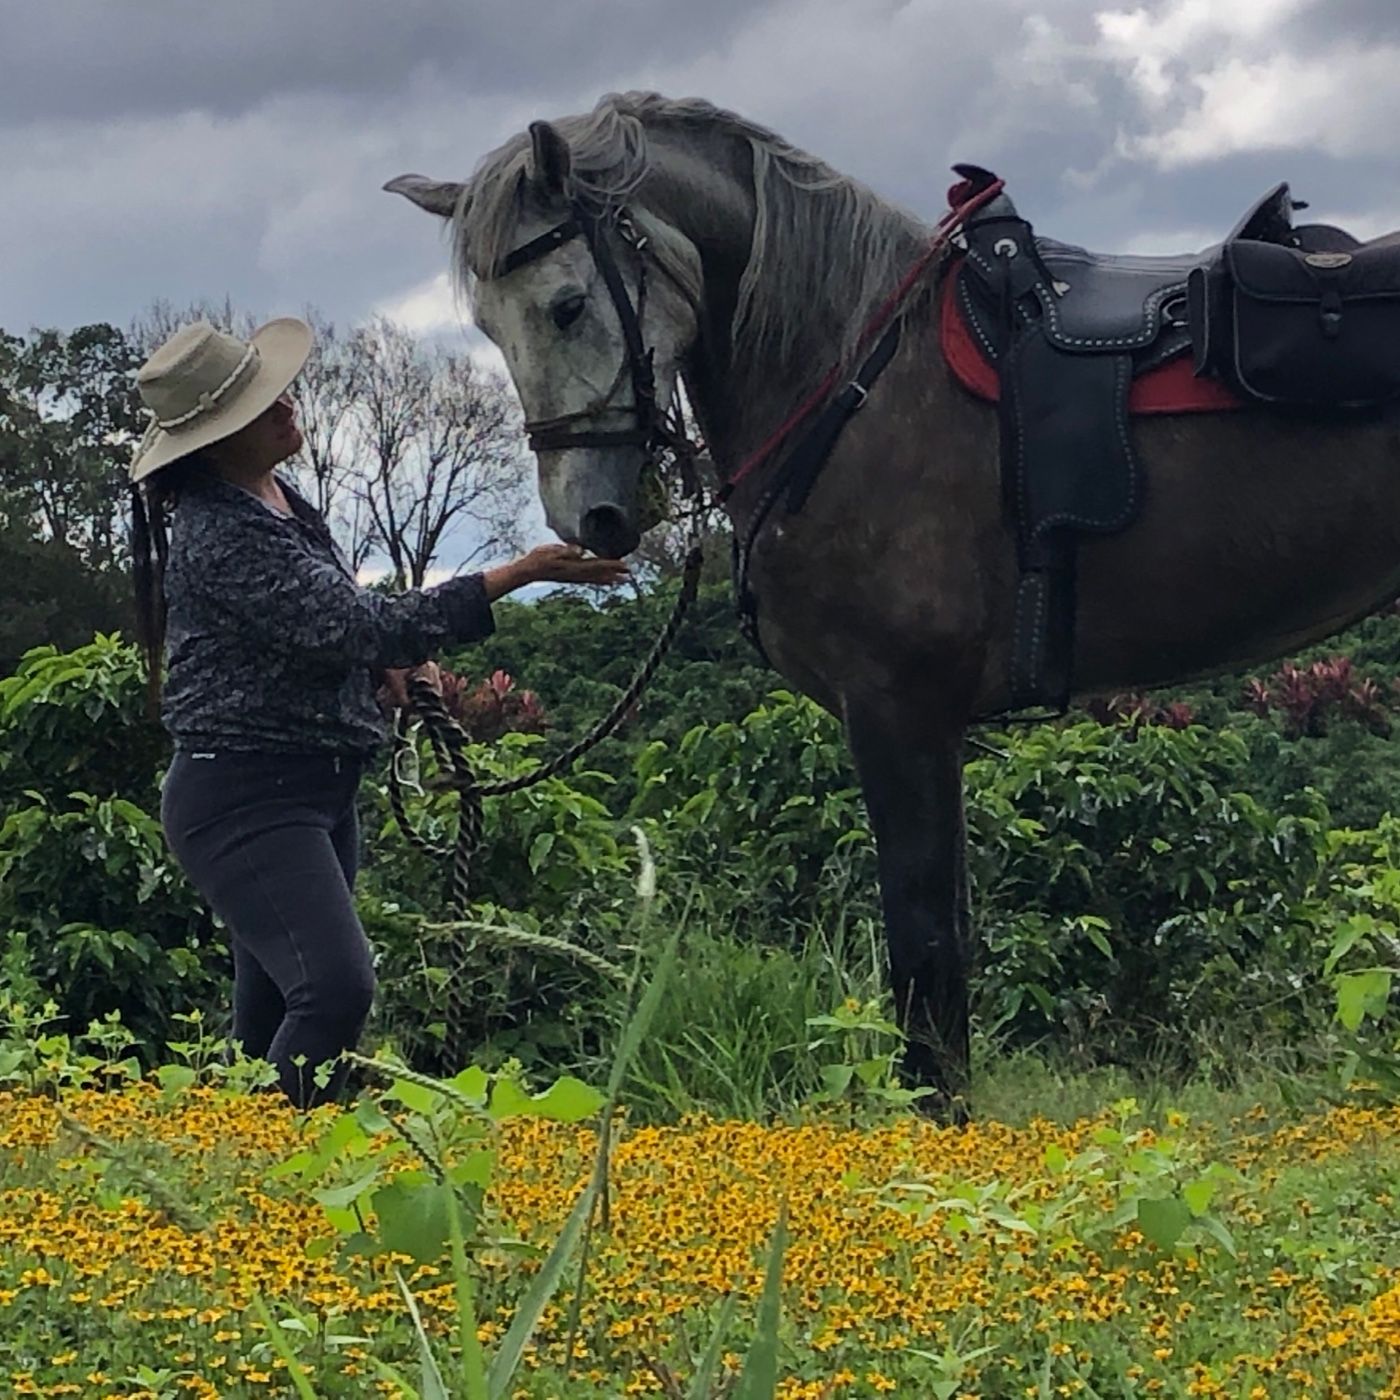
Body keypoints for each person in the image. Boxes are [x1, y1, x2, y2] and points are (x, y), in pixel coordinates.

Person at [128, 317, 628, 1108]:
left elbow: (326, 629)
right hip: (245, 799)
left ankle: (244, 1174)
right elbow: (362, 625)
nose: (288, 405)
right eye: (264, 404)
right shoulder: (222, 534)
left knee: (270, 1019)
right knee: (333, 991)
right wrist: (518, 573)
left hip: (315, 787)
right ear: (220, 439)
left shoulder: (277, 500)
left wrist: (387, 668)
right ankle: (279, 1175)